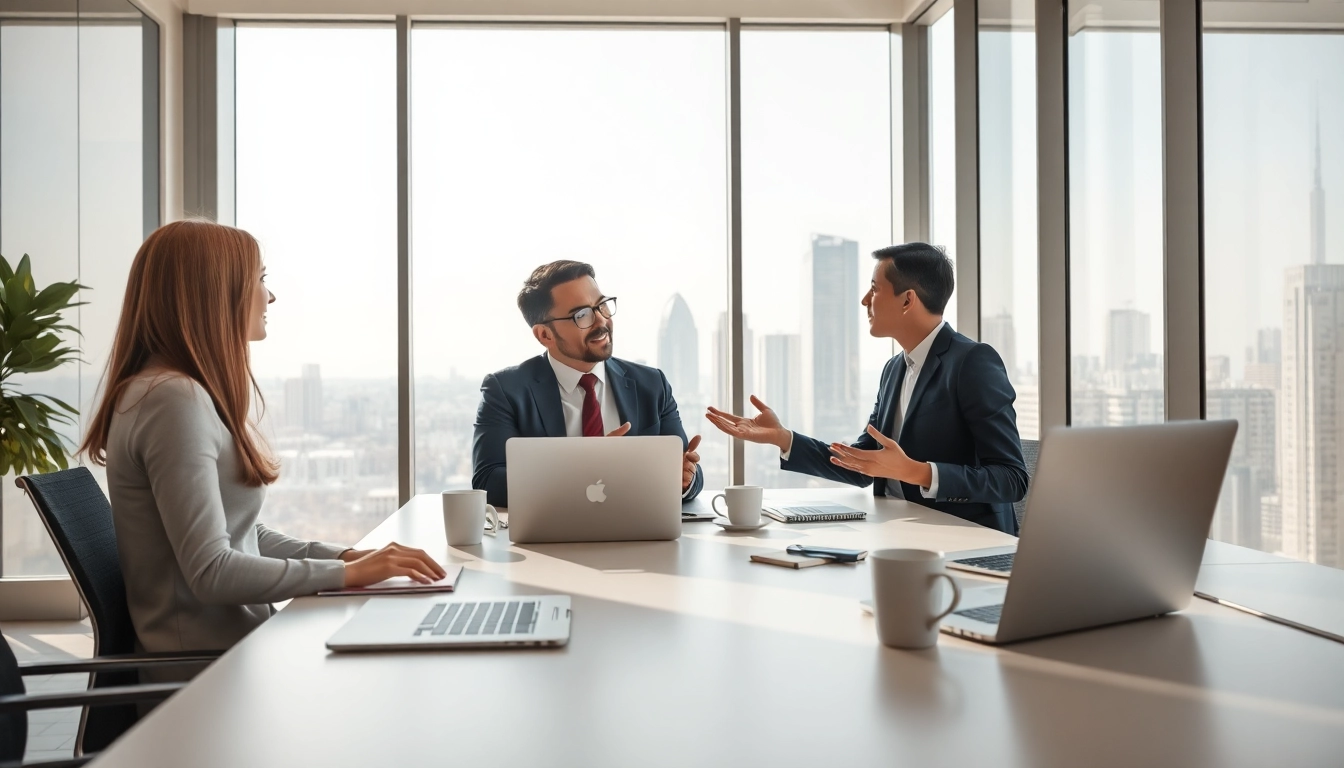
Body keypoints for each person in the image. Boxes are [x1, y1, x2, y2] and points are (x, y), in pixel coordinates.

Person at [80, 220, 445, 655]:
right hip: (208, 675)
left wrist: (347, 557)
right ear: (216, 291)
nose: (269, 295)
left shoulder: (170, 391)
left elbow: (241, 534)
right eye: (260, 278)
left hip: (238, 651)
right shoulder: (171, 399)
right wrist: (347, 575)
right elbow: (212, 571)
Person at [706, 242, 1027, 534]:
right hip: (900, 535)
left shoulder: (972, 363)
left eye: (874, 289)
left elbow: (1012, 478)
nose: (864, 300)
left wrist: (919, 473)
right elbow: (864, 464)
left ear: (907, 300)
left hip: (967, 541)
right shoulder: (893, 370)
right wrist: (783, 438)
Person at [472, 260, 703, 507]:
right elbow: (488, 482)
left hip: (640, 533)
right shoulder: (506, 390)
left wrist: (685, 479)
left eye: (602, 306)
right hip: (552, 540)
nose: (601, 321)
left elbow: (687, 469)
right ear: (545, 335)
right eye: (582, 315)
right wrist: (586, 466)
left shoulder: (651, 384)